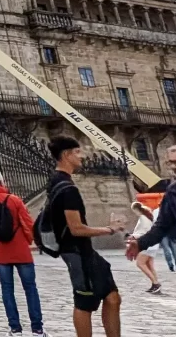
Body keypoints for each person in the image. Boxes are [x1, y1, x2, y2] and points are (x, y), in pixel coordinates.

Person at [47, 137, 125, 337]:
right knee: (84, 302)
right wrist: (109, 229)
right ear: (66, 155)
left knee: (112, 296)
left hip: (84, 251)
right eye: (77, 152)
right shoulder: (67, 188)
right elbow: (76, 228)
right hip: (76, 251)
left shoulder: (58, 181)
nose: (82, 156)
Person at [0, 170, 47, 337]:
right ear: (0, 183)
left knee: (7, 290)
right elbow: (28, 224)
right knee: (30, 289)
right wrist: (28, 240)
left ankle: (15, 329)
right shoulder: (14, 200)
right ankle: (37, 329)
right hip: (20, 250)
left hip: (1, 252)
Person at [127, 145, 176, 271]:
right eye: (171, 163)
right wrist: (140, 243)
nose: (174, 167)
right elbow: (162, 226)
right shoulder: (173, 191)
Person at [129, 202, 160, 294]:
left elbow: (144, 232)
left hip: (147, 244)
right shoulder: (148, 216)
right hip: (153, 243)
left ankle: (156, 284)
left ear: (136, 210)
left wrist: (133, 236)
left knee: (140, 263)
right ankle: (156, 284)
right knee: (150, 265)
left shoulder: (143, 218)